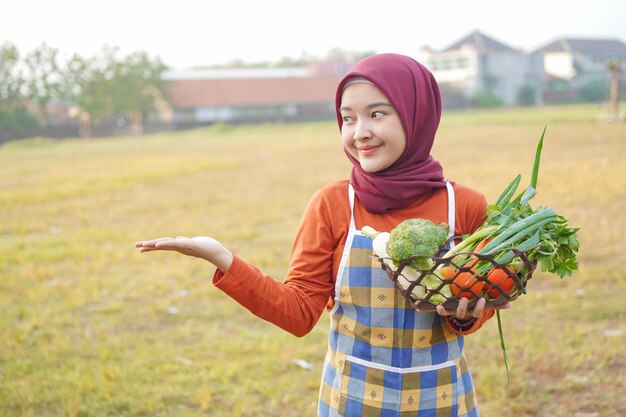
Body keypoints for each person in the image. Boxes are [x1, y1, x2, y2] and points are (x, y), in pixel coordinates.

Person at [135, 53, 507, 417]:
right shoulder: (331, 204)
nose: (360, 132)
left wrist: (466, 316)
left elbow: (480, 308)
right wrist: (221, 258)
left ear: (417, 114)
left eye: (377, 114)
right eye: (348, 118)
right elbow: (298, 314)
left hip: (440, 399)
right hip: (350, 400)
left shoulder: (467, 207)